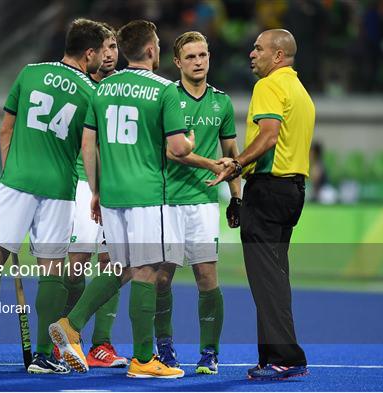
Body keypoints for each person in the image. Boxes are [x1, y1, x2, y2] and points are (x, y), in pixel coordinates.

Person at [0, 19, 108, 374]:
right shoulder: (91, 93)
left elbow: (6, 129)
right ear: (89, 53)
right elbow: (88, 148)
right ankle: (45, 355)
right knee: (52, 269)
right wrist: (95, 190)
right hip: (59, 188)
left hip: (16, 182)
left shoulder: (29, 73)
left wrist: (10, 175)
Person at [49, 20, 194, 378]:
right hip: (146, 195)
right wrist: (190, 139)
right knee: (146, 270)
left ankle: (72, 324)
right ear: (149, 50)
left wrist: (96, 191)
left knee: (120, 266)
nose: (159, 49)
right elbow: (177, 149)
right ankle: (143, 359)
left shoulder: (102, 89)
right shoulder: (165, 91)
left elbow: (88, 144)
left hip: (111, 195)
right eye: (158, 44)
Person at [208, 29, 314, 380]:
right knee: (276, 276)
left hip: (269, 190)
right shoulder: (300, 92)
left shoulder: (269, 86)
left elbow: (268, 136)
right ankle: (274, 356)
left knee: (266, 278)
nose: (252, 54)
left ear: (278, 56)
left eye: (258, 48)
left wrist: (237, 165)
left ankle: (286, 357)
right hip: (292, 191)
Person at [154, 31, 241, 375]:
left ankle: (209, 352)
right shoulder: (167, 98)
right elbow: (170, 153)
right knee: (162, 278)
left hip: (204, 202)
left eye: (203, 55)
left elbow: (231, 156)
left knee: (207, 276)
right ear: (177, 62)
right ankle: (164, 346)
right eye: (190, 57)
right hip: (168, 200)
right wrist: (211, 163)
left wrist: (237, 197)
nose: (198, 62)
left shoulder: (222, 103)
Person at [63, 24, 128, 368]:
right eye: (103, 47)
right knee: (76, 265)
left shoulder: (126, 89)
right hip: (82, 185)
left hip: (116, 189)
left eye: (114, 46)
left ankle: (100, 345)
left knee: (111, 264)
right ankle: (66, 338)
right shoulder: (82, 88)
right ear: (90, 52)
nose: (109, 53)